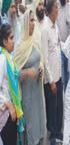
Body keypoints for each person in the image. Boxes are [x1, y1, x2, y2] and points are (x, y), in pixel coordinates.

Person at [15, 9, 45, 145]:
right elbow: (14, 74)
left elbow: (40, 58)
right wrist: (27, 73)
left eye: (34, 20)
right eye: (31, 20)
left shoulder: (34, 41)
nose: (33, 23)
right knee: (31, 129)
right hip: (28, 97)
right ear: (26, 23)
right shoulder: (20, 47)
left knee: (39, 124)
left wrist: (40, 68)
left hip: (38, 93)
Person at [41, 0, 63, 145]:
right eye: (56, 7)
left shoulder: (56, 27)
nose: (58, 9)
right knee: (52, 108)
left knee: (59, 106)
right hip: (51, 79)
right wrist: (51, 80)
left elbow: (60, 47)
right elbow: (44, 58)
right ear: (50, 11)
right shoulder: (45, 30)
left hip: (59, 75)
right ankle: (53, 136)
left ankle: (58, 132)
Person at [0, 24, 25, 144]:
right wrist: (10, 106)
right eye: (11, 38)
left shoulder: (10, 57)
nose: (13, 41)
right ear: (4, 41)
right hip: (7, 112)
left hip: (13, 109)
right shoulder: (2, 59)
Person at [56, 0, 70, 92]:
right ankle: (65, 105)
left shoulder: (67, 3)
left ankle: (69, 104)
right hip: (60, 47)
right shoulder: (56, 5)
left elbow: (69, 19)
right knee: (63, 79)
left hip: (69, 46)